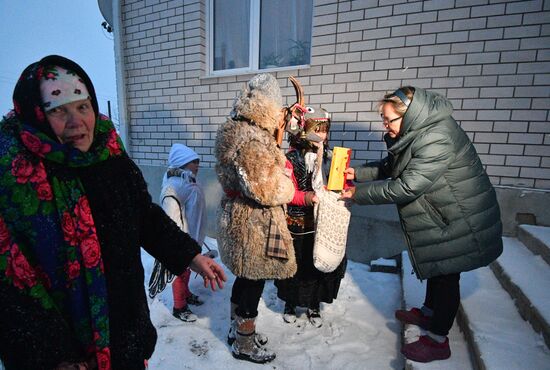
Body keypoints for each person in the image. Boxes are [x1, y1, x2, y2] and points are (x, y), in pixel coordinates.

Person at [0, 55, 226, 370]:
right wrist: (48, 356)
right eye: (58, 110)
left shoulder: (110, 158)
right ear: (36, 115)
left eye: (82, 106)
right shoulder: (13, 178)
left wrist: (190, 255)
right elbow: (10, 285)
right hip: (63, 355)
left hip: (124, 338)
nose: (76, 121)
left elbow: (144, 216)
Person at [341, 86, 503, 363]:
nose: (384, 124)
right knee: (437, 265)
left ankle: (439, 340)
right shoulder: (416, 133)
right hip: (443, 212)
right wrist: (359, 173)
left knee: (447, 274)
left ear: (409, 115)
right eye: (383, 118)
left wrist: (359, 194)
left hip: (460, 216)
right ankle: (429, 312)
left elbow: (407, 185)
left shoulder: (436, 137)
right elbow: (393, 166)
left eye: (388, 120)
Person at [215, 73, 297, 364]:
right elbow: (266, 188)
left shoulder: (238, 130)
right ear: (268, 107)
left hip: (243, 219)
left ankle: (237, 331)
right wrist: (287, 181)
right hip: (254, 225)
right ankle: (245, 344)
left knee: (245, 278)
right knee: (253, 281)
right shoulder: (251, 139)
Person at [275, 106, 347, 328]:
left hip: (322, 223)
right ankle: (290, 303)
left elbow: (341, 185)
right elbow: (284, 192)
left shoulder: (333, 158)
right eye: (319, 129)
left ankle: (314, 304)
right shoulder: (289, 158)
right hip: (296, 222)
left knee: (318, 266)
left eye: (326, 130)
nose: (323, 135)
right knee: (295, 266)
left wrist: (346, 188)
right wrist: (308, 197)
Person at [158, 143, 207, 322]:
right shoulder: (173, 187)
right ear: (182, 162)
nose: (197, 165)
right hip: (182, 238)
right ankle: (179, 306)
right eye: (193, 162)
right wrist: (179, 243)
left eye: (197, 162)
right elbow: (170, 217)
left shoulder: (188, 181)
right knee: (180, 269)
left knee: (186, 268)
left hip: (192, 237)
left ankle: (185, 294)